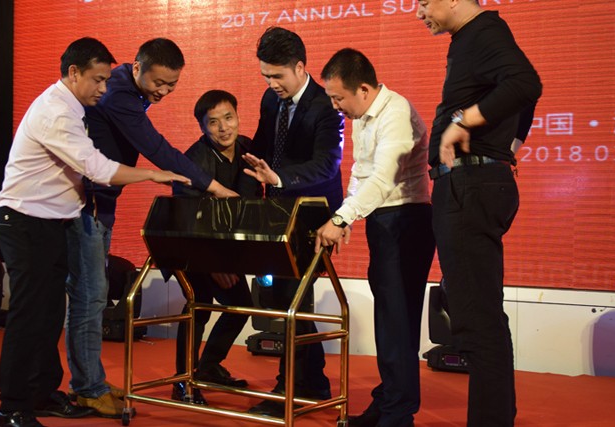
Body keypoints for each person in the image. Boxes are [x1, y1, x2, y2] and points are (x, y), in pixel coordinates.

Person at [0, 37, 190, 427]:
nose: (104, 87)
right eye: (98, 80)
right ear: (74, 73)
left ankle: (42, 394)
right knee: (29, 317)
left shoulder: (74, 107)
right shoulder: (57, 112)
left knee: (50, 314)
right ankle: (12, 408)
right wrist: (152, 174)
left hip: (53, 222)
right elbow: (96, 168)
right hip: (25, 223)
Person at [64, 38, 237, 418]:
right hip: (86, 204)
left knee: (90, 296)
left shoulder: (127, 88)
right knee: (90, 297)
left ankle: (88, 381)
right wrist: (211, 185)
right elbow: (156, 149)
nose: (164, 92)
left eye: (172, 85)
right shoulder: (120, 94)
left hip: (100, 203)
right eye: (159, 83)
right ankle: (88, 387)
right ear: (137, 68)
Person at [415, 1, 542, 426]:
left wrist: (463, 121)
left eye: (424, 2)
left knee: (478, 322)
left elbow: (526, 84)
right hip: (471, 184)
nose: (419, 13)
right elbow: (523, 94)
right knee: (479, 315)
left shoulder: (483, 32)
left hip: (470, 186)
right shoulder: (472, 37)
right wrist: (511, 145)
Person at [315, 48, 436, 427]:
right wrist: (348, 213)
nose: (335, 106)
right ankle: (388, 402)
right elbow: (361, 172)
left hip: (407, 222)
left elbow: (383, 178)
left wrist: (341, 216)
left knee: (397, 322)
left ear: (363, 89)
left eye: (338, 98)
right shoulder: (362, 116)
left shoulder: (395, 112)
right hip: (384, 221)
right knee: (389, 321)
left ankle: (398, 414)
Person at [241, 26, 344, 418]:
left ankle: (293, 386)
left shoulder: (325, 104)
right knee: (284, 301)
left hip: (314, 220)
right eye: (265, 75)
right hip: (276, 215)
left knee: (291, 301)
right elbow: (264, 147)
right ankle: (311, 382)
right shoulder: (271, 99)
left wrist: (280, 178)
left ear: (300, 67)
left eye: (277, 75)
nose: (271, 84)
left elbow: (327, 165)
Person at [169, 89, 262, 404]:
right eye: (213, 122)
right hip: (191, 247)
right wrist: (212, 263)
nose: (224, 128)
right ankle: (182, 381)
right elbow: (186, 221)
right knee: (198, 305)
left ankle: (208, 366)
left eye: (228, 118)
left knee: (241, 305)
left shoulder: (248, 149)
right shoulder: (192, 161)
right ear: (202, 127)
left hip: (226, 248)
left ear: (238, 116)